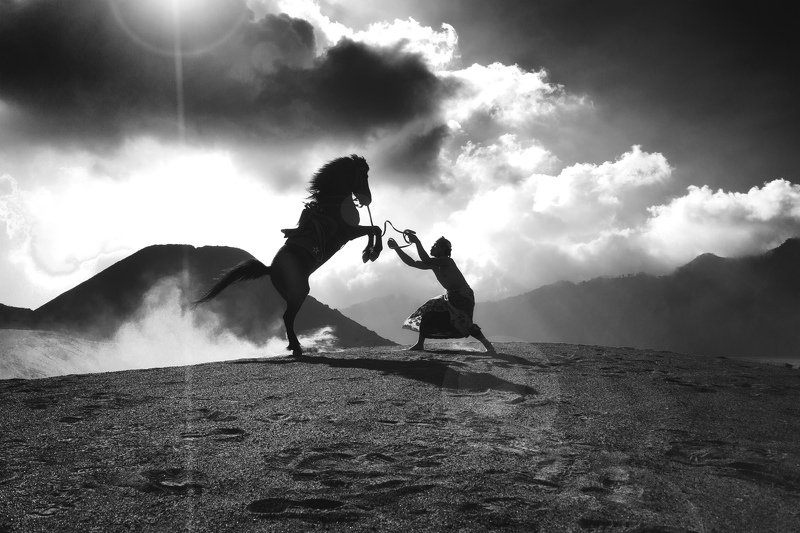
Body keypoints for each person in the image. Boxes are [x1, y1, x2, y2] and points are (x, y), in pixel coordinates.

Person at [387, 233, 496, 353]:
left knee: (464, 322)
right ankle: (419, 344)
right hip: (451, 295)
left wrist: (417, 242)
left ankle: (488, 346)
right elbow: (412, 263)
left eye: (435, 246)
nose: (432, 247)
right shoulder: (434, 265)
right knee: (428, 310)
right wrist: (396, 248)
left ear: (443, 249)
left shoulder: (447, 261)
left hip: (463, 296)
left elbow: (426, 259)